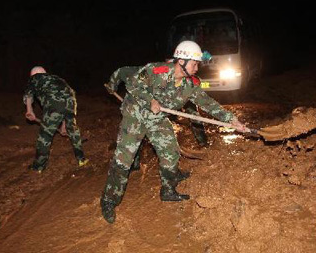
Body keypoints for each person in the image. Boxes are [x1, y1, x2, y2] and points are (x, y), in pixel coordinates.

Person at [100, 41, 251, 223]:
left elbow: (208, 103)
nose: (197, 68)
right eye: (194, 64)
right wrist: (150, 100)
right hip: (136, 115)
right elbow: (133, 83)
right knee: (124, 160)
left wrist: (232, 120)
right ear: (181, 61)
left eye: (197, 64)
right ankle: (109, 200)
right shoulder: (157, 71)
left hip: (157, 118)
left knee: (170, 152)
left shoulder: (191, 85)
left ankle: (168, 189)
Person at [105, 65, 209, 171]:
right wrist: (112, 86)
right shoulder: (152, 76)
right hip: (141, 104)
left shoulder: (189, 81)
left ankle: (203, 142)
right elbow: (121, 71)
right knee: (138, 129)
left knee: (194, 115)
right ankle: (134, 163)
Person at [23, 66, 88, 172]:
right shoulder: (58, 79)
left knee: (45, 136)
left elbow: (28, 94)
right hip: (71, 102)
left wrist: (29, 110)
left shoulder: (35, 78)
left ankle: (38, 167)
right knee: (72, 131)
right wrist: (63, 126)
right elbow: (65, 100)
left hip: (54, 105)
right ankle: (81, 159)